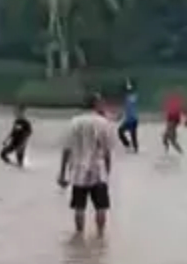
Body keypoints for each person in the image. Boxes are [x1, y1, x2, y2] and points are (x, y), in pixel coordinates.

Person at [57, 92, 116, 238]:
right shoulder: (103, 123)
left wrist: (62, 172)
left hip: (78, 171)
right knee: (101, 207)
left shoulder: (74, 122)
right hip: (98, 171)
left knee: (79, 208)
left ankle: (79, 236)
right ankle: (100, 236)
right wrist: (108, 170)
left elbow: (66, 149)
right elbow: (107, 150)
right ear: (96, 104)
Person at [117, 81, 140, 152]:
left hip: (133, 119)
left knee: (132, 134)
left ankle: (134, 147)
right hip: (128, 120)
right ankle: (128, 145)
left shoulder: (132, 97)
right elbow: (125, 109)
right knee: (120, 131)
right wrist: (120, 116)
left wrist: (128, 86)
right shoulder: (126, 99)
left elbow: (133, 100)